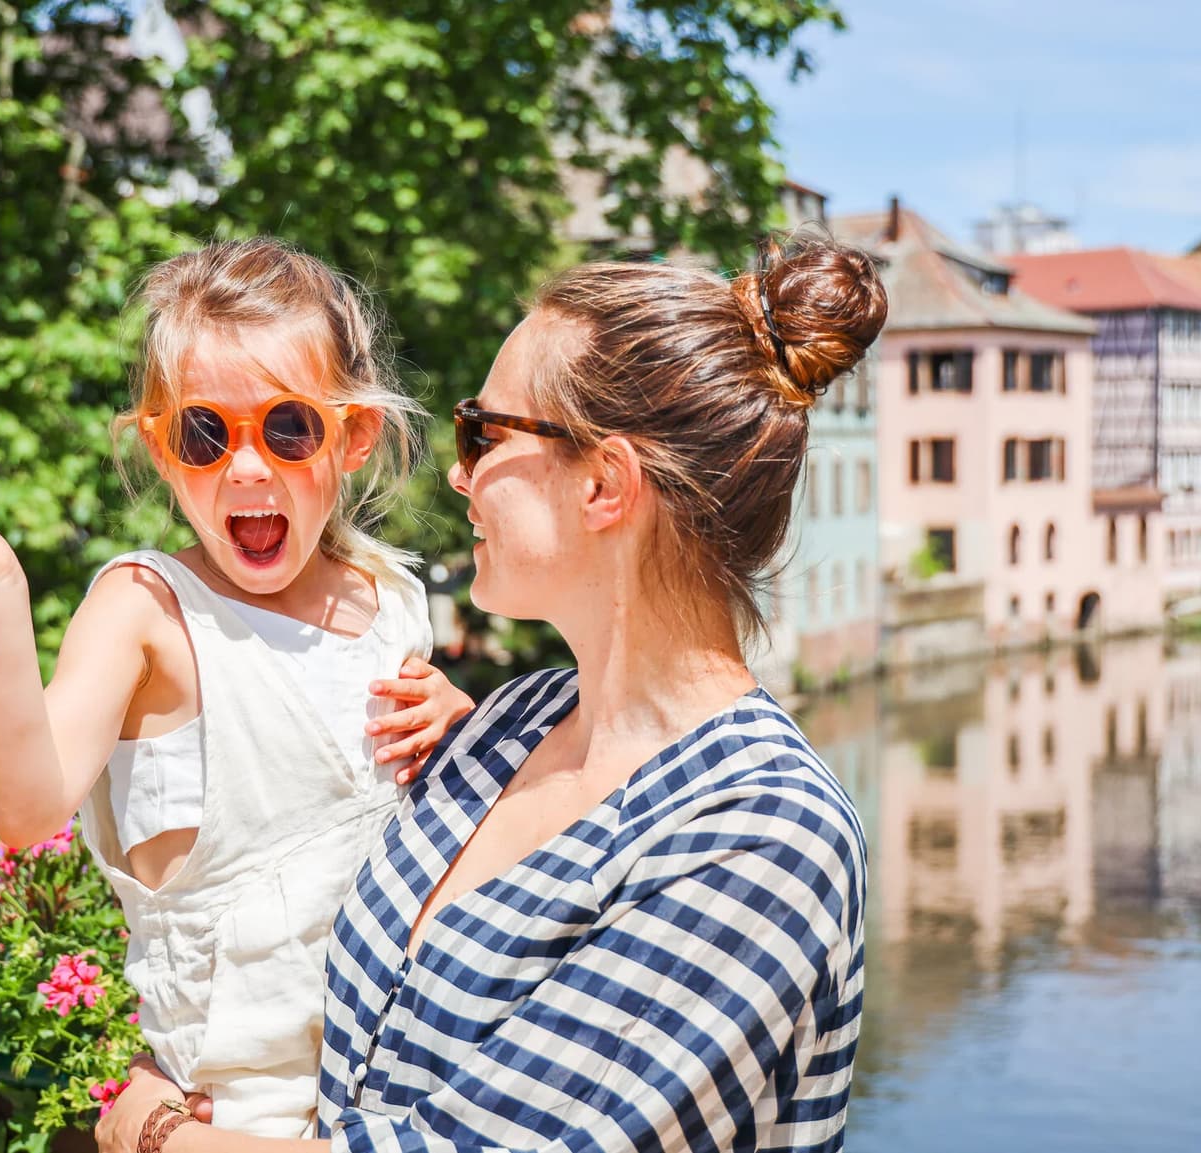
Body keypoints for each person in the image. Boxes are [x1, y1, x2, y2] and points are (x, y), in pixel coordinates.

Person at [97, 234, 887, 1153]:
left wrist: (153, 1132)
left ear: (604, 483)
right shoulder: (511, 723)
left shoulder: (762, 836)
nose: (457, 471)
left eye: (484, 431)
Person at [0, 238, 475, 1136]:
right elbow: (26, 808)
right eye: (205, 433)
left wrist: (463, 729)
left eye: (288, 428)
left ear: (352, 437)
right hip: (238, 1112)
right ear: (160, 446)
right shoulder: (148, 608)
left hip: (402, 1077)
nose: (245, 467)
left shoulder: (390, 598)